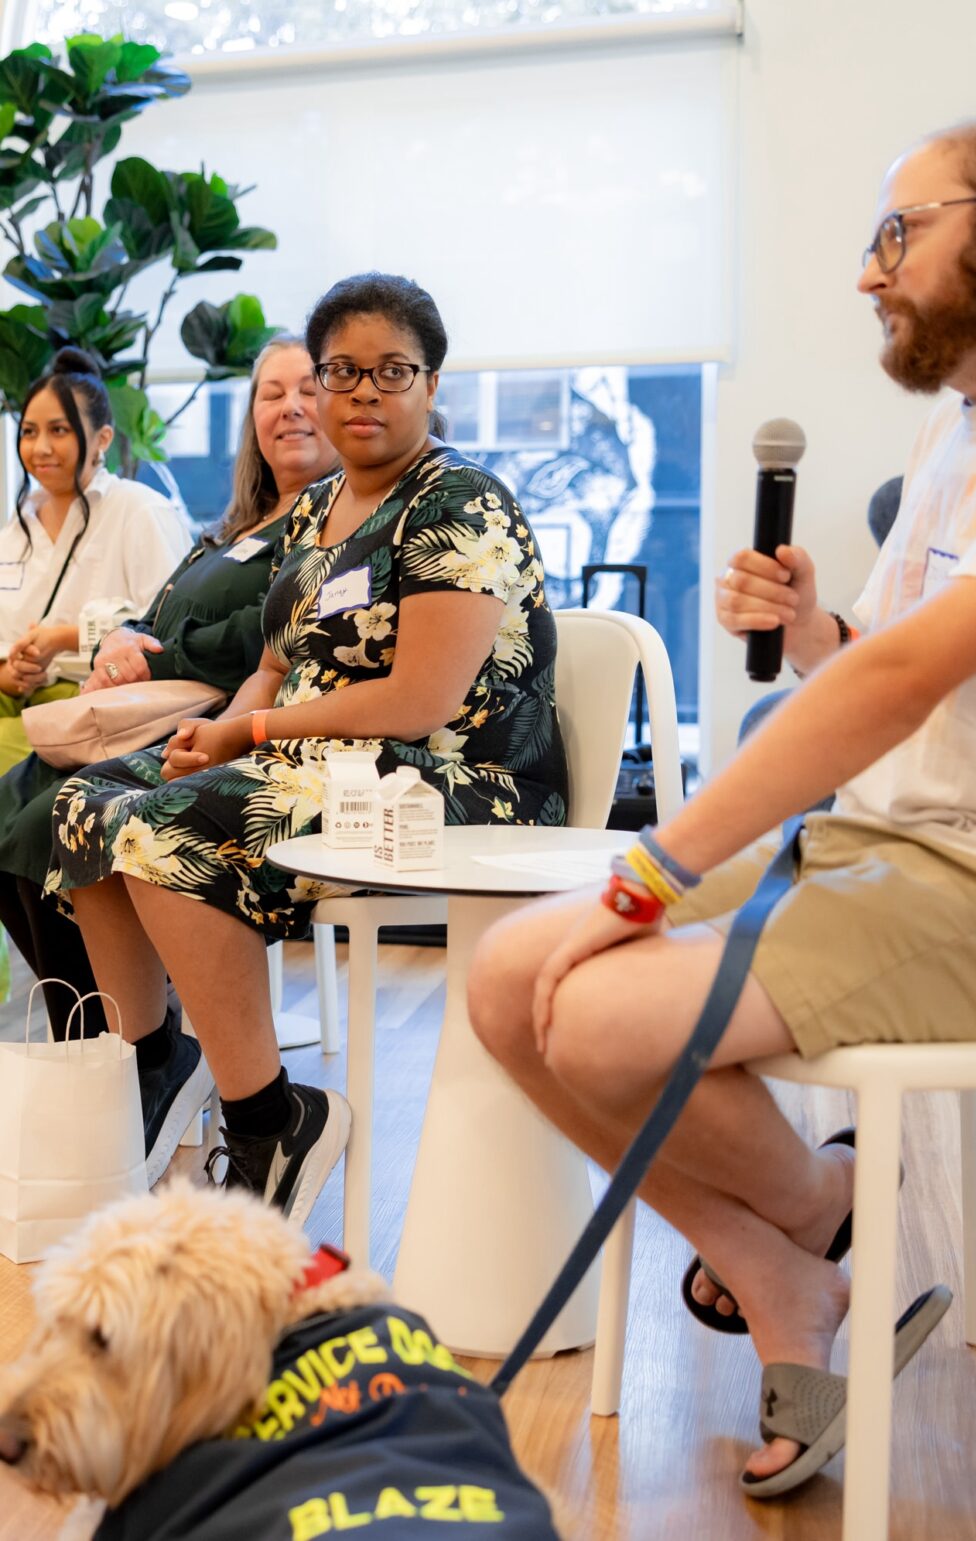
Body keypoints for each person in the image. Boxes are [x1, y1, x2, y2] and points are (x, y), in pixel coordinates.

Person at [467, 111, 976, 1497]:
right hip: (883, 849)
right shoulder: (962, 426)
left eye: (899, 233)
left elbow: (916, 676)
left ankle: (817, 1210)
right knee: (510, 980)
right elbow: (886, 664)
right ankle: (789, 1257)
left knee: (601, 1008)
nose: (872, 273)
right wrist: (815, 634)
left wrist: (653, 873)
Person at [45, 272, 567, 1220]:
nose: (364, 391)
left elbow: (419, 698)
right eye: (344, 371)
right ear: (320, 383)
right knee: (85, 803)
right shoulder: (320, 507)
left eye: (392, 371)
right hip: (325, 761)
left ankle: (267, 1117)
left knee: (171, 830)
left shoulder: (460, 501)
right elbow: (278, 665)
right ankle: (157, 1060)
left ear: (432, 384)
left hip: (457, 778)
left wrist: (247, 734)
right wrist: (218, 734)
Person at [0, 335, 337, 1043]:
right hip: (143, 705)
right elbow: (159, 607)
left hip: (210, 717)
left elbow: (267, 631)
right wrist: (125, 636)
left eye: (307, 389)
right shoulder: (237, 525)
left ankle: (125, 1046)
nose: (289, 408)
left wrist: (153, 654)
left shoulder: (332, 524)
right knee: (5, 812)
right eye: (270, 394)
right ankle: (95, 1035)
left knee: (45, 825)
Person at [0, 347, 191, 775]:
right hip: (16, 697)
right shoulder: (17, 525)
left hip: (94, 705)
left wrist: (64, 639)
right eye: (29, 432)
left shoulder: (139, 511)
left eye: (59, 430)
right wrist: (12, 672)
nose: (40, 447)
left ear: (103, 439)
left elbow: (167, 633)